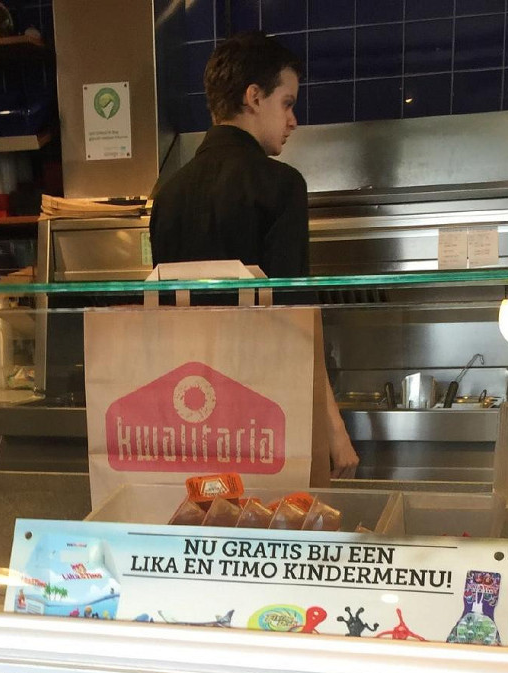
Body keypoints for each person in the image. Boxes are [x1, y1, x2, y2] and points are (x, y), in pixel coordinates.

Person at [149, 31, 359, 477]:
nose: (293, 120)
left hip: (189, 413)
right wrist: (333, 427)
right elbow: (296, 316)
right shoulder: (280, 185)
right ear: (254, 97)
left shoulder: (168, 194)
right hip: (265, 413)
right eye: (287, 103)